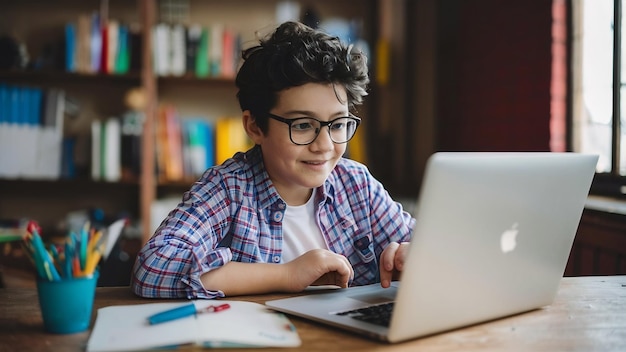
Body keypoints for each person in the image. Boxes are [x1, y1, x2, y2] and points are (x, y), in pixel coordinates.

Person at [132, 21, 416, 299]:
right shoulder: (229, 188)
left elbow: (431, 245)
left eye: (338, 124)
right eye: (303, 125)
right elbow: (153, 268)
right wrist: (286, 275)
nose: (325, 145)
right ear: (255, 126)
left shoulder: (356, 184)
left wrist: (411, 255)